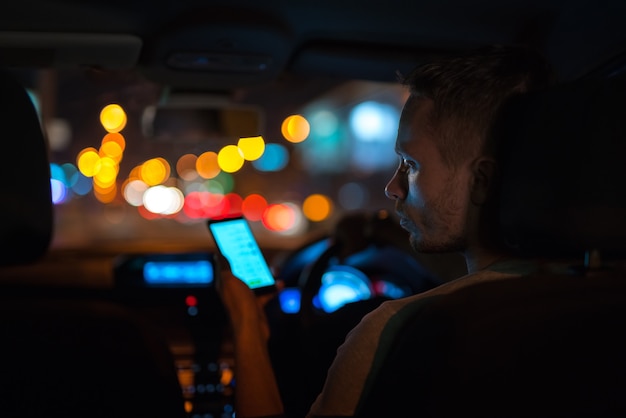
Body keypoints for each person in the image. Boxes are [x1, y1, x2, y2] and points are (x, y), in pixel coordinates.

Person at [216, 44, 555, 418]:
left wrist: (248, 325)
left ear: (483, 180)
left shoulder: (397, 331)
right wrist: (387, 232)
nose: (392, 187)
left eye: (410, 164)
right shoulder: (591, 291)